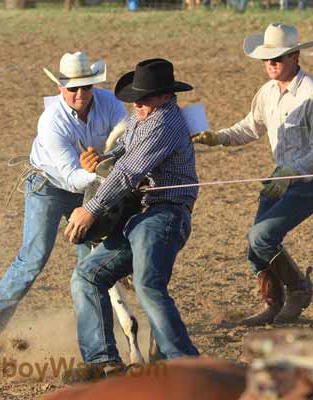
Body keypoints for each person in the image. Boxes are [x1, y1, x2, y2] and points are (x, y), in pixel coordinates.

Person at [193, 23, 313, 326]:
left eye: (279, 57)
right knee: (254, 246)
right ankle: (273, 303)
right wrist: (218, 137)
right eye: (267, 58)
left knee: (262, 236)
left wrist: (292, 170)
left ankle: (298, 289)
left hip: (312, 181)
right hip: (282, 177)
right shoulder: (267, 92)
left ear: (295, 57)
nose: (271, 63)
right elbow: (251, 127)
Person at [63, 58, 199, 380]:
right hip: (140, 216)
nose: (137, 102)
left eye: (146, 97)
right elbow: (122, 153)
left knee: (148, 284)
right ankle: (103, 361)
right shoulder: (143, 118)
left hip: (164, 214)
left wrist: (90, 209)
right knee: (87, 275)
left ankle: (186, 365)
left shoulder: (164, 122)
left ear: (166, 96)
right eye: (137, 96)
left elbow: (128, 173)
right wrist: (102, 158)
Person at [0, 52, 127, 335]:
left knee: (91, 263)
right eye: (73, 88)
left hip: (91, 185)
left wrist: (105, 158)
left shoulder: (110, 103)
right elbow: (70, 177)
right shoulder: (51, 121)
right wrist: (101, 173)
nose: (80, 93)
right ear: (61, 88)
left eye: (86, 86)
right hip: (48, 186)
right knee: (33, 257)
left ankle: (92, 333)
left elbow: (126, 134)